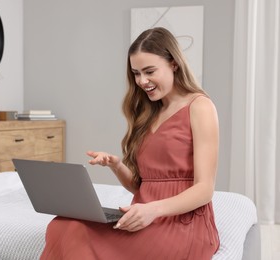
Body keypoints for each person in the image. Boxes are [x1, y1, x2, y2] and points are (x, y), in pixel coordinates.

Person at [40, 27, 220, 259]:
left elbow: (205, 189)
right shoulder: (150, 113)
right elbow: (142, 187)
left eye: (149, 71)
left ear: (173, 63)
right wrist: (116, 165)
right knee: (63, 224)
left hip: (184, 224)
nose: (142, 81)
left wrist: (152, 210)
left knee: (76, 235)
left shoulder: (200, 107)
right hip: (143, 216)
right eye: (136, 73)